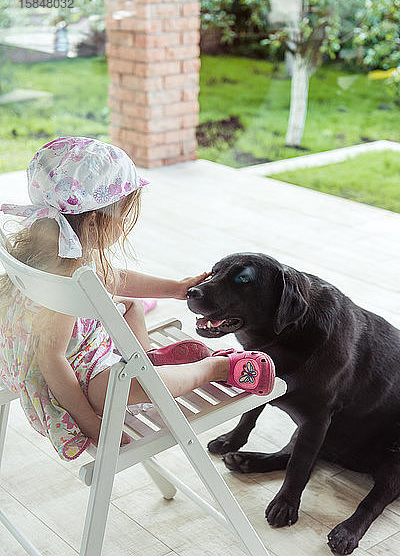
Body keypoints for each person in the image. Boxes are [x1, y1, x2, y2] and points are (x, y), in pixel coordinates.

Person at [0, 137, 275, 461]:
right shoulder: (65, 277)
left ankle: (148, 359)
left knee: (128, 304)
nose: (128, 223)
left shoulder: (53, 245)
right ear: (93, 221)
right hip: (73, 372)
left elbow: (114, 278)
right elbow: (52, 359)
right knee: (117, 390)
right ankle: (216, 367)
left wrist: (175, 287)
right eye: (124, 215)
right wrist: (92, 425)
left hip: (50, 348)